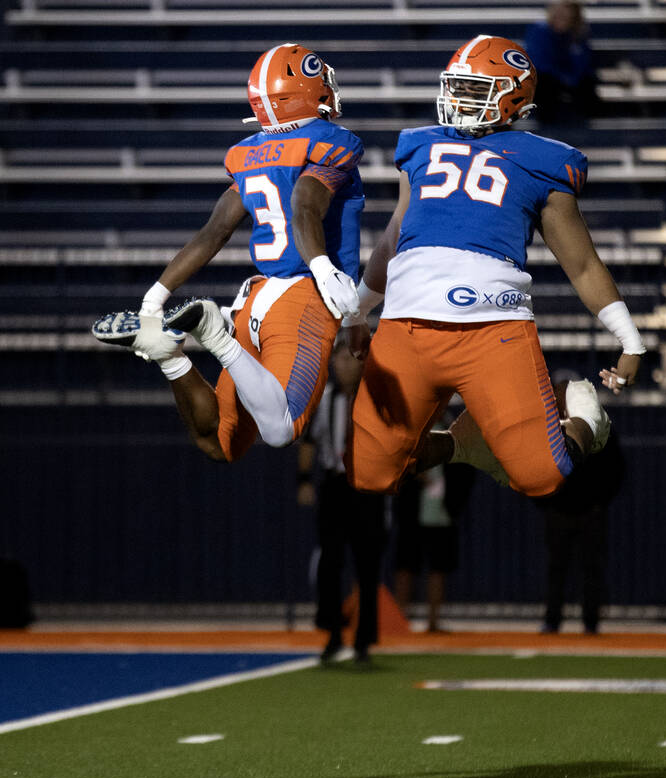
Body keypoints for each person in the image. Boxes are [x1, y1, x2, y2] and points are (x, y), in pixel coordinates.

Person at [344, 35, 644, 508]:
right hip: (406, 326)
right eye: (456, 87)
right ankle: (460, 444)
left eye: (473, 89)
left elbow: (582, 264)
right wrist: (358, 311)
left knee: (543, 476)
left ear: (513, 96)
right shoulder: (420, 145)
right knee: (369, 474)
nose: (458, 99)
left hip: (492, 327)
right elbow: (393, 238)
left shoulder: (543, 160)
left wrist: (630, 339)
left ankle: (582, 409)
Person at [91, 44, 363, 461]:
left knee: (218, 442)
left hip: (254, 300)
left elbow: (214, 231)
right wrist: (325, 271)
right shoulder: (329, 142)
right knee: (281, 428)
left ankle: (169, 356)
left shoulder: (248, 154)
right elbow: (304, 205)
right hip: (304, 296)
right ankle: (215, 335)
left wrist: (154, 299)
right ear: (306, 92)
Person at [297, 334, 385, 666]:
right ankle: (333, 634)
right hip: (335, 484)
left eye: (348, 359)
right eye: (338, 360)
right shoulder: (324, 399)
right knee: (331, 563)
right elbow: (309, 441)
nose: (342, 365)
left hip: (367, 487)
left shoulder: (375, 399)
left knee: (368, 565)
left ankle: (364, 640)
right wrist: (304, 479)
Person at [392, 408, 475, 633]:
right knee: (406, 566)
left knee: (439, 567)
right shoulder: (412, 432)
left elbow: (465, 469)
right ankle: (400, 620)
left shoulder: (454, 431)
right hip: (412, 512)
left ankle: (433, 622)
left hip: (442, 513)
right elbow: (397, 463)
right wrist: (416, 474)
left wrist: (453, 501)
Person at [541, 423, 624, 635]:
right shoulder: (552, 426)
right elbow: (536, 465)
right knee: (557, 569)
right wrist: (546, 502)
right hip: (559, 511)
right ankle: (552, 620)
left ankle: (590, 621)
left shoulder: (598, 427)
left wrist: (599, 503)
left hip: (590, 513)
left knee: (591, 569)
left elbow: (616, 468)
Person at [523, 0, 599, 126]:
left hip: (570, 80)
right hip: (549, 80)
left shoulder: (578, 33)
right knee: (544, 84)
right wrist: (563, 77)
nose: (562, 16)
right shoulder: (540, 30)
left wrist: (571, 77)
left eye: (567, 13)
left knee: (587, 84)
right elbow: (539, 64)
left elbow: (582, 63)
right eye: (558, 13)